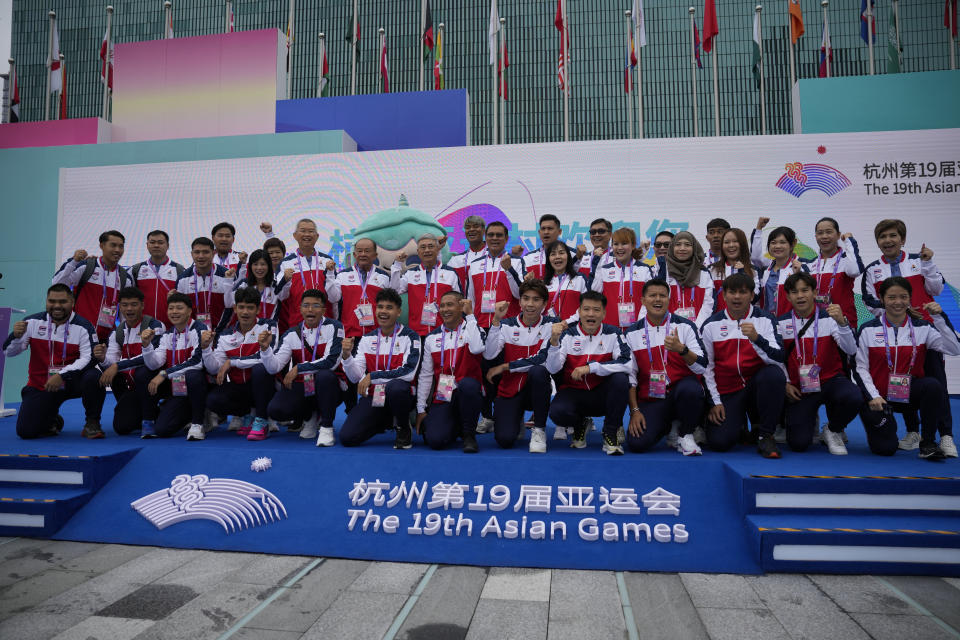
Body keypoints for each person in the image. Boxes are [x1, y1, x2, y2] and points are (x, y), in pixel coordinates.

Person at [861, 219, 948, 451]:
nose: (888, 241)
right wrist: (896, 313)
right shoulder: (872, 269)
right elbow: (869, 300)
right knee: (901, 374)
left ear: (903, 239)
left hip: (923, 334)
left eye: (893, 236)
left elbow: (937, 289)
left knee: (935, 383)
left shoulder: (921, 261)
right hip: (891, 331)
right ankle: (912, 432)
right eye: (883, 237)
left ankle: (945, 434)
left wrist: (928, 264)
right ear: (877, 242)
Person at [855, 277, 960, 460]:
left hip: (907, 394)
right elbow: (860, 368)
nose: (898, 302)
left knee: (933, 385)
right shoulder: (867, 330)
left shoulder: (923, 328)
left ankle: (927, 442)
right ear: (882, 299)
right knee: (885, 449)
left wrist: (939, 317)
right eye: (892, 297)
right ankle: (890, 428)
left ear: (910, 298)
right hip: (878, 399)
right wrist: (873, 395)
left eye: (903, 297)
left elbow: (954, 348)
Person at [701, 273, 787, 458]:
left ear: (751, 295)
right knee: (719, 443)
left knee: (774, 375)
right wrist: (714, 402)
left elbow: (778, 358)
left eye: (743, 292)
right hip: (728, 389)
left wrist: (757, 339)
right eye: (732, 292)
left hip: (756, 385)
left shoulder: (765, 320)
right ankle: (738, 424)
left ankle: (766, 434)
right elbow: (706, 368)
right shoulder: (711, 325)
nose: (737, 297)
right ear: (723, 295)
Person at [778, 273, 861, 455]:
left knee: (854, 396)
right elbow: (777, 359)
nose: (800, 296)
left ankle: (832, 429)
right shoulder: (780, 323)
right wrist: (785, 382)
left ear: (815, 292)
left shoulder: (829, 318)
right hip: (800, 388)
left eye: (805, 290)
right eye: (794, 292)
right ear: (787, 296)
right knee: (798, 444)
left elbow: (851, 349)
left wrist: (842, 323)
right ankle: (806, 420)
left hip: (830, 380)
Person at [623, 280, 707, 456]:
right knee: (637, 443)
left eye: (662, 295)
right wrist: (635, 411)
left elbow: (701, 367)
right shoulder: (631, 333)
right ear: (643, 300)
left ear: (670, 299)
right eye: (652, 295)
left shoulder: (685, 326)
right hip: (652, 398)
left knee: (691, 389)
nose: (657, 299)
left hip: (681, 393)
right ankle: (669, 426)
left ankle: (686, 434)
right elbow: (630, 376)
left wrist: (682, 350)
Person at [4, 284, 98, 439]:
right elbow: (8, 352)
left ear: (72, 302)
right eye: (52, 301)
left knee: (94, 377)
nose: (57, 306)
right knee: (26, 432)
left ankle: (92, 422)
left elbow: (88, 358)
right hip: (42, 385)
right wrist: (15, 336)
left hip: (71, 382)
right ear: (46, 301)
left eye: (62, 302)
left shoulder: (83, 326)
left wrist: (62, 375)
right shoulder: (31, 322)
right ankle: (51, 419)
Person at [546, 290, 632, 455]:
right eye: (586, 309)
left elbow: (627, 363)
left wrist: (592, 367)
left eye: (596, 309)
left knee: (621, 379)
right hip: (575, 392)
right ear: (579, 312)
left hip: (603, 395)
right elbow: (552, 368)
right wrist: (554, 343)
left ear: (604, 313)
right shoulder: (567, 335)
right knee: (558, 412)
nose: (591, 314)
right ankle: (580, 424)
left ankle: (610, 432)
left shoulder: (614, 333)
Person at [261, 289, 345, 446]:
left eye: (316, 305)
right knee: (276, 410)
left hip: (330, 386)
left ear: (324, 309)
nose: (310, 310)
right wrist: (265, 350)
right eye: (306, 305)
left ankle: (326, 426)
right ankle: (309, 417)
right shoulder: (291, 333)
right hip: (304, 386)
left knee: (324, 376)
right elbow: (274, 367)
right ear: (300, 309)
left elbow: (331, 362)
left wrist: (299, 368)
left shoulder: (335, 327)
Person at [339, 288, 421, 448]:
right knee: (348, 437)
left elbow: (409, 373)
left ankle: (403, 427)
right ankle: (385, 420)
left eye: (389, 308)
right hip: (375, 397)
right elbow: (356, 377)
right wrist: (347, 357)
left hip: (401, 396)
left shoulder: (411, 337)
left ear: (399, 312)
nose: (383, 311)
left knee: (397, 387)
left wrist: (373, 376)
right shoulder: (367, 339)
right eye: (380, 307)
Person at [484, 281, 557, 453]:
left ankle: (539, 429)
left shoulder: (551, 325)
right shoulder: (506, 324)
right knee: (504, 439)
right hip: (510, 388)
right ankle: (515, 418)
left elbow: (542, 360)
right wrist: (495, 321)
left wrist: (506, 367)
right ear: (519, 301)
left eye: (536, 299)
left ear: (545, 304)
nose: (530, 304)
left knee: (539, 371)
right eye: (526, 299)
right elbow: (489, 354)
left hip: (535, 387)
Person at [85, 287, 164, 438]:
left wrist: (117, 366)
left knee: (143, 372)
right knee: (122, 427)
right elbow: (111, 363)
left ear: (142, 305)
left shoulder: (155, 326)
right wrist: (102, 359)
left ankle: (149, 418)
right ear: (120, 307)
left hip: (155, 382)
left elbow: (148, 359)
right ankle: (144, 411)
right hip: (133, 386)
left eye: (134, 304)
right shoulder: (117, 332)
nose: (129, 309)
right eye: (125, 305)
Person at [204, 287, 279, 441]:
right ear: (235, 308)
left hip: (266, 386)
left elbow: (266, 358)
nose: (245, 312)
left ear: (258, 309)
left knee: (260, 368)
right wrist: (205, 349)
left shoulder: (268, 327)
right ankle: (248, 413)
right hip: (241, 388)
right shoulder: (225, 334)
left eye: (250, 308)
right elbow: (216, 367)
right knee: (212, 401)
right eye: (241, 307)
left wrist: (232, 362)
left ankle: (262, 419)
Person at [416, 292, 485, 452]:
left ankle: (468, 435)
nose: (444, 309)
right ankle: (455, 426)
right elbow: (425, 375)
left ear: (461, 306)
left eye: (450, 305)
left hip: (466, 392)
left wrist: (470, 316)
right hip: (443, 395)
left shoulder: (472, 328)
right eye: (442, 305)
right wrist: (421, 409)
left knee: (468, 384)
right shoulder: (432, 338)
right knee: (434, 440)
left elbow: (477, 348)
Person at [139, 292, 211, 440]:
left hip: (197, 386)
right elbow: (155, 363)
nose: (174, 312)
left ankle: (198, 423)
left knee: (193, 374)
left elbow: (197, 362)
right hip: (177, 390)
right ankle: (154, 419)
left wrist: (164, 374)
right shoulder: (167, 335)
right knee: (162, 430)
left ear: (190, 311)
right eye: (171, 308)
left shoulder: (200, 329)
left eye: (179, 308)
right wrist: (146, 347)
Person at [52, 230, 131, 342]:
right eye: (113, 245)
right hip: (76, 335)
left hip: (105, 340)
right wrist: (73, 261)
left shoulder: (125, 278)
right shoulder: (87, 266)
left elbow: (125, 312)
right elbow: (57, 284)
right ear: (102, 245)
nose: (117, 250)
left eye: (121, 246)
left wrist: (123, 338)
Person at [390, 233, 461, 338]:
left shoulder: (450, 273)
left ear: (437, 249)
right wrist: (397, 265)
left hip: (445, 332)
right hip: (417, 333)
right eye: (423, 247)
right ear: (418, 252)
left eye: (431, 246)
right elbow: (394, 290)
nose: (427, 250)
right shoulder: (411, 274)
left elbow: (459, 303)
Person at [800, 217, 865, 329]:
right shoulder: (809, 265)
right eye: (820, 233)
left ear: (838, 235)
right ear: (816, 237)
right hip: (816, 324)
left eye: (829, 232)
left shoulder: (846, 260)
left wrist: (849, 241)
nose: (824, 236)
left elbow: (855, 270)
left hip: (844, 321)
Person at [326, 237, 391, 338]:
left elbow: (391, 305)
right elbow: (333, 298)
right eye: (360, 251)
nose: (363, 254)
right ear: (354, 255)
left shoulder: (384, 277)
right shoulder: (343, 275)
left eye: (367, 251)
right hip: (349, 335)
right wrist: (330, 274)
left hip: (376, 335)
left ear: (375, 255)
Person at [277, 218, 336, 330]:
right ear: (295, 235)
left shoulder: (327, 260)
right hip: (298, 323)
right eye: (303, 231)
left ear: (317, 236)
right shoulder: (286, 263)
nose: (307, 234)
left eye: (311, 231)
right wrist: (285, 280)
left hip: (325, 322)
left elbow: (335, 296)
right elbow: (280, 296)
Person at [590, 227, 652, 329]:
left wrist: (641, 321)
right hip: (609, 329)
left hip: (638, 328)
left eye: (624, 243)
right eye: (615, 244)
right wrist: (598, 266)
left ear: (633, 245)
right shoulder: (604, 269)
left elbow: (649, 299)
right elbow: (594, 294)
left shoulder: (644, 269)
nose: (619, 248)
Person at [466, 222, 522, 329]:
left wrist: (509, 269)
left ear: (506, 239)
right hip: (481, 325)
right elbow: (471, 297)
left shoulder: (517, 261)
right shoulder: (474, 264)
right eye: (491, 235)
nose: (494, 238)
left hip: (508, 325)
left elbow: (519, 294)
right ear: (486, 238)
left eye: (499, 235)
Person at [652, 231, 715, 327]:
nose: (682, 248)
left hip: (698, 330)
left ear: (694, 248)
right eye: (678, 245)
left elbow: (708, 304)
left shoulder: (703, 273)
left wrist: (696, 328)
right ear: (672, 248)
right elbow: (658, 302)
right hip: (669, 329)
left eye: (687, 245)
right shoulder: (664, 272)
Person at [175, 237, 234, 333]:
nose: (201, 256)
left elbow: (232, 308)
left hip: (223, 333)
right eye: (197, 252)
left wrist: (222, 332)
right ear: (192, 254)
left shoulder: (226, 275)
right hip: (193, 334)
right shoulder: (183, 279)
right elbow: (180, 310)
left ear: (214, 253)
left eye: (206, 252)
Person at [128, 230, 185, 327]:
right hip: (142, 327)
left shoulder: (180, 271)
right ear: (147, 245)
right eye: (152, 242)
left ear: (168, 245)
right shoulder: (135, 270)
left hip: (171, 328)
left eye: (160, 242)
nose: (156, 245)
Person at [750, 220, 805, 318]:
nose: (777, 246)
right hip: (767, 322)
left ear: (793, 244)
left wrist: (798, 274)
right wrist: (759, 229)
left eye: (782, 242)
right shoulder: (766, 269)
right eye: (773, 243)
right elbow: (755, 257)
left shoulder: (801, 266)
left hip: (790, 322)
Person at [708, 228, 759, 314]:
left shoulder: (753, 270)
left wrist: (743, 275)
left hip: (745, 321)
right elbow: (708, 300)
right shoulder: (712, 269)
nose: (731, 245)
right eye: (726, 242)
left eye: (735, 241)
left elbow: (754, 298)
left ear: (742, 244)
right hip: (718, 322)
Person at [226, 250, 282, 322]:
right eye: (255, 264)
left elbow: (275, 315)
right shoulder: (244, 284)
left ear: (269, 266)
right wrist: (228, 281)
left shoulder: (276, 287)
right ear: (250, 266)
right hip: (244, 330)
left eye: (263, 264)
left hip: (266, 331)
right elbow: (228, 303)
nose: (259, 268)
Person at [542, 240, 587, 325]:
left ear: (568, 257)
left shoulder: (580, 279)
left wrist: (567, 322)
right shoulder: (543, 284)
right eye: (553, 254)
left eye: (561, 253)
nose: (557, 257)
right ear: (548, 259)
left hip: (574, 330)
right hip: (550, 330)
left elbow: (585, 306)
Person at [447, 215, 487, 293]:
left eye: (476, 226)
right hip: (463, 303)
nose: (471, 229)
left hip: (488, 303)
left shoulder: (494, 256)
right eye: (468, 227)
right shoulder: (455, 261)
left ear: (484, 230)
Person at [519, 214, 566, 280]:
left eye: (550, 228)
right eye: (543, 229)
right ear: (539, 232)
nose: (546, 232)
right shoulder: (528, 258)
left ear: (559, 232)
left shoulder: (572, 255)